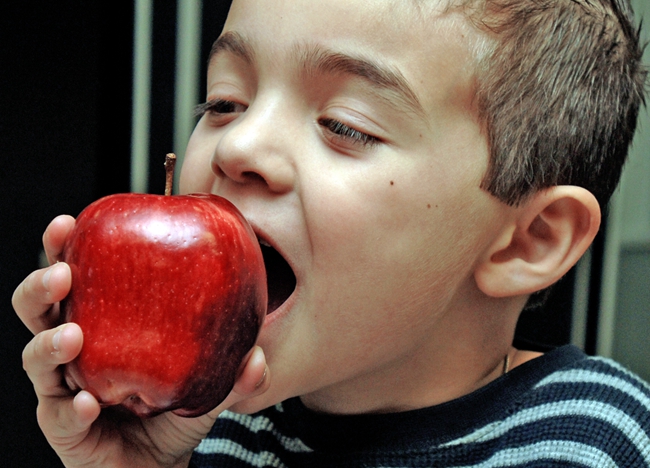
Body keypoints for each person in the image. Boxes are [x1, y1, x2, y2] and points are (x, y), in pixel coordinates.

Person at [12, 0, 650, 466]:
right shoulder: (208, 434)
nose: (240, 144)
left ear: (528, 240)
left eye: (346, 124)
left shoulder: (589, 440)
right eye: (224, 102)